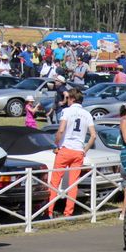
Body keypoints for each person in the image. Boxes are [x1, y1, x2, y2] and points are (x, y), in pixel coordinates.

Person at [48, 88, 96, 219]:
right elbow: (93, 135)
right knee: (73, 183)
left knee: (55, 181)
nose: (67, 100)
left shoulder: (66, 111)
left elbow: (61, 129)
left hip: (65, 148)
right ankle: (68, 212)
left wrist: (56, 145)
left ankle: (50, 211)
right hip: (78, 150)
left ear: (73, 99)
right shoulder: (87, 114)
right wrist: (84, 150)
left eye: (68, 97)